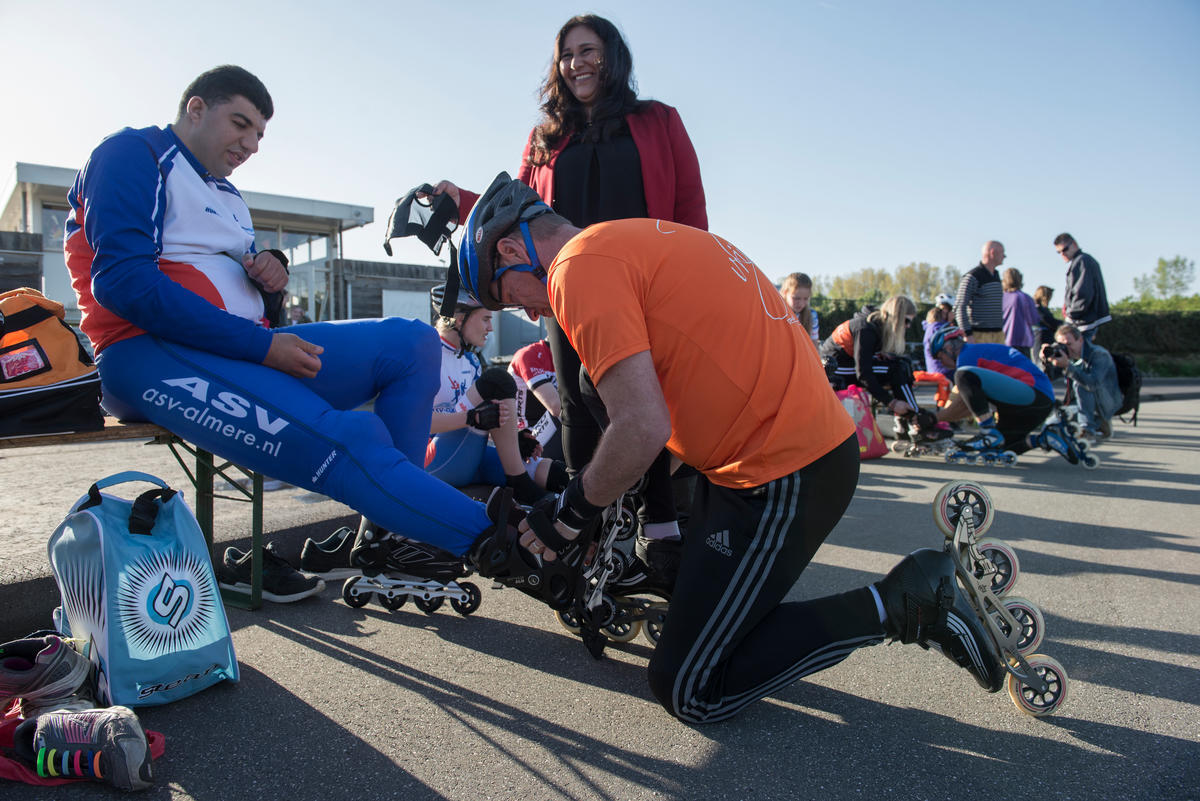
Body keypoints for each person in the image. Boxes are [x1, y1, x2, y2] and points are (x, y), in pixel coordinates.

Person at [452, 172, 1008, 723]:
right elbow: (675, 407)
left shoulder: (576, 271)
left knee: (689, 688)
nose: (529, 313)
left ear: (510, 247)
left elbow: (641, 427)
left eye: (508, 297)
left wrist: (568, 516)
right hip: (767, 464)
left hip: (783, 473)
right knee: (703, 624)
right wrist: (659, 521)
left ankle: (907, 604)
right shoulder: (629, 239)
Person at [63, 66, 519, 601]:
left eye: (260, 134)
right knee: (354, 440)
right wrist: (263, 344)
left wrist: (271, 282)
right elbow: (123, 284)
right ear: (195, 109)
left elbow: (241, 294)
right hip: (145, 353)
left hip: (244, 349)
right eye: (241, 123)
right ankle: (510, 545)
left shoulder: (228, 195)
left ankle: (394, 530)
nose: (251, 144)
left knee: (411, 343)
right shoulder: (132, 153)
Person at [435, 13, 704, 579]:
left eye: (588, 50)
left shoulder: (657, 121)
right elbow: (511, 211)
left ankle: (662, 526)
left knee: (641, 399)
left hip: (644, 283)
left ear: (611, 56)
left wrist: (693, 279)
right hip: (564, 287)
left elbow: (689, 210)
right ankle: (591, 526)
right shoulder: (543, 139)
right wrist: (458, 199)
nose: (577, 63)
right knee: (579, 404)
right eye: (567, 54)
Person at [426, 287, 565, 503]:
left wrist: (514, 439)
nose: (490, 328)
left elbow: (482, 423)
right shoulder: (425, 355)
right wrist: (471, 418)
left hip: (469, 457)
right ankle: (520, 487)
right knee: (497, 382)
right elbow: (415, 424)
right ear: (459, 319)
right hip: (432, 461)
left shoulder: (470, 362)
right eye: (485, 319)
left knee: (553, 472)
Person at [926, 326, 1083, 463]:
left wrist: (933, 419)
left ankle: (988, 432)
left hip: (1032, 392)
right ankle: (1044, 439)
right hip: (1035, 401)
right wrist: (937, 419)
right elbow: (971, 404)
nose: (941, 363)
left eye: (940, 357)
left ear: (949, 348)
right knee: (999, 448)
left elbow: (963, 404)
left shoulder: (967, 354)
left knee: (962, 375)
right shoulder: (975, 354)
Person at [819, 296, 944, 442]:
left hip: (847, 364)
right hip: (835, 370)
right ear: (896, 317)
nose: (908, 326)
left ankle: (907, 419)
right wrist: (891, 402)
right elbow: (864, 374)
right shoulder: (865, 329)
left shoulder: (876, 325)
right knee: (897, 368)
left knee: (901, 364)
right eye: (906, 321)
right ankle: (915, 418)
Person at [1044, 323, 1121, 439]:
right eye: (1062, 345)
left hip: (1106, 402)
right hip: (1079, 404)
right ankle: (1100, 424)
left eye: (1069, 344)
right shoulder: (1067, 357)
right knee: (1050, 426)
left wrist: (1068, 367)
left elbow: (1092, 384)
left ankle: (1088, 429)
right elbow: (1047, 378)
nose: (1066, 348)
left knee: (1079, 385)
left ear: (1080, 340)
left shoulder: (1099, 355)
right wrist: (1045, 361)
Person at [508, 338, 564, 462]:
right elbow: (556, 408)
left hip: (551, 431)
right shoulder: (529, 354)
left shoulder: (572, 357)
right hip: (526, 435)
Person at [1055, 233, 1110, 342]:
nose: (1063, 254)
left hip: (1083, 322)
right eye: (1059, 252)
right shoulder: (1081, 261)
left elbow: (1083, 293)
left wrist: (1071, 314)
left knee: (1077, 355)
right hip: (1083, 321)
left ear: (1074, 244)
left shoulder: (1082, 261)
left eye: (1065, 249)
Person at [954, 241, 1006, 343]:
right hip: (978, 335)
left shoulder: (996, 276)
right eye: (1002, 252)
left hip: (998, 335)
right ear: (992, 253)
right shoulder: (973, 276)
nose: (1004, 256)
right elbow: (959, 306)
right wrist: (967, 333)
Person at [1001, 267, 1039, 359]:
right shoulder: (1026, 298)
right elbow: (1034, 320)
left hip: (1003, 341)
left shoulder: (1000, 298)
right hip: (1023, 342)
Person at [779, 272, 820, 346]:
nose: (801, 304)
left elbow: (814, 345)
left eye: (806, 299)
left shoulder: (812, 315)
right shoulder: (776, 314)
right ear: (785, 293)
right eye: (796, 298)